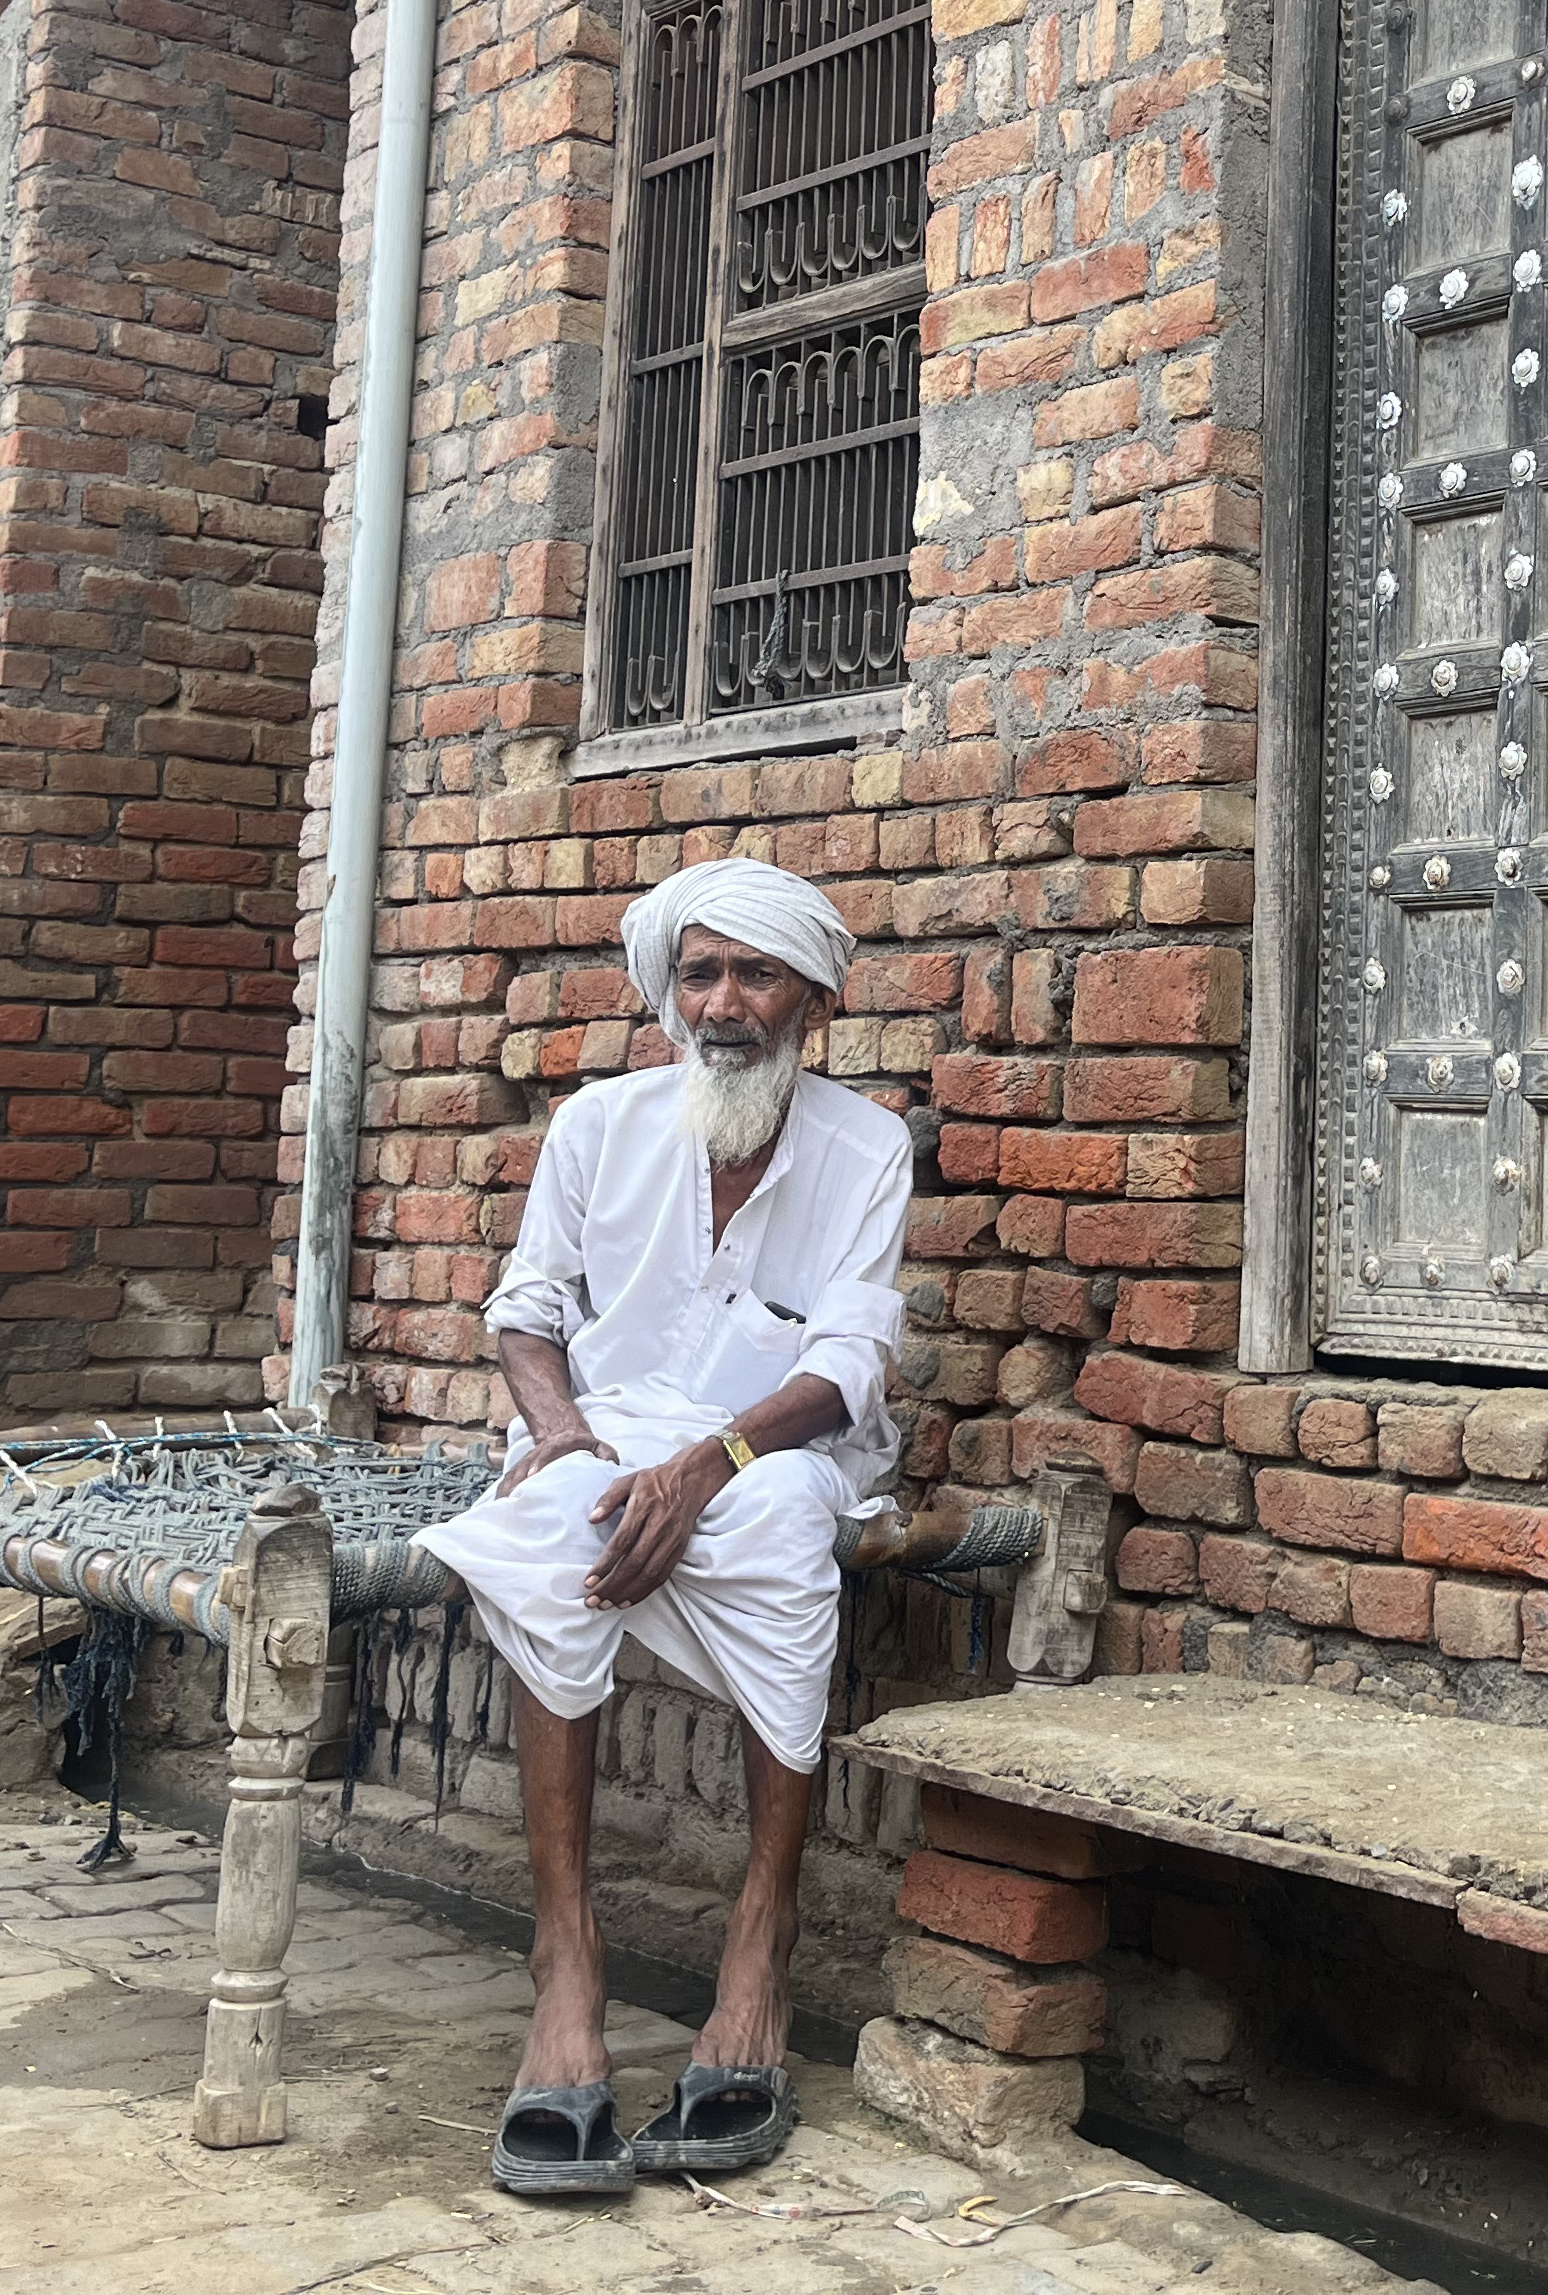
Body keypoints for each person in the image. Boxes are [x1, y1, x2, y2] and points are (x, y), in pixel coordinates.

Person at [417, 855, 909, 2192]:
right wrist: (568, 1437)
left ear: (811, 996)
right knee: (545, 1529)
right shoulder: (598, 1129)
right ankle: (564, 1959)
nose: (726, 1002)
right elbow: (525, 1317)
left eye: (756, 973)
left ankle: (761, 1939)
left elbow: (852, 1363)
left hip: (779, 1445)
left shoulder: (869, 1146)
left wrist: (712, 1460)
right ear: (668, 995)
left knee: (777, 1545)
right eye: (700, 973)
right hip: (612, 1422)